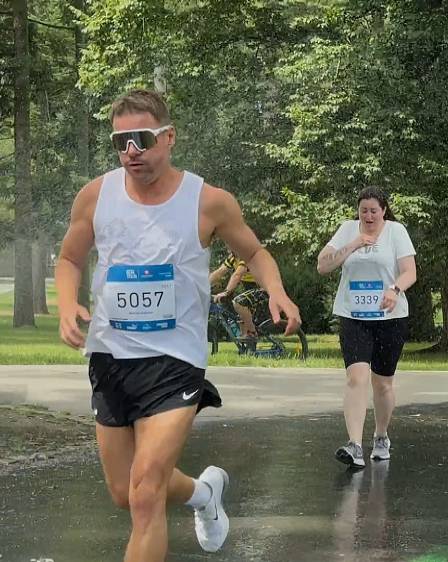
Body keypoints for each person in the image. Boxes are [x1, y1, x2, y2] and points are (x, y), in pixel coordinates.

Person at [55, 89, 301, 560]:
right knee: (125, 493)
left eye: (143, 138)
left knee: (145, 494)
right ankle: (203, 494)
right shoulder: (95, 196)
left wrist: (277, 290)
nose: (132, 150)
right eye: (121, 141)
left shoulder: (208, 201)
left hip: (175, 361)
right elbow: (69, 258)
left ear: (169, 137)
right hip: (110, 356)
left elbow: (253, 252)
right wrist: (68, 305)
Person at [317, 186, 417, 469]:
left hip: (390, 317)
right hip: (353, 316)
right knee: (356, 378)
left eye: (374, 210)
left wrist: (394, 289)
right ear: (358, 211)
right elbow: (322, 266)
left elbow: (410, 271)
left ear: (383, 210)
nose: (369, 216)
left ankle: (381, 436)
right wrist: (354, 244)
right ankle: (355, 445)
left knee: (382, 383)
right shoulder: (347, 230)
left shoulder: (396, 232)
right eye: (364, 211)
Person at [209, 251, 258, 337]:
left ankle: (252, 333)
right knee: (232, 310)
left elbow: (237, 274)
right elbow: (219, 272)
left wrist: (226, 292)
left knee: (238, 302)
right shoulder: (233, 257)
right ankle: (245, 341)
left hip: (259, 286)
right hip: (244, 285)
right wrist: (203, 285)